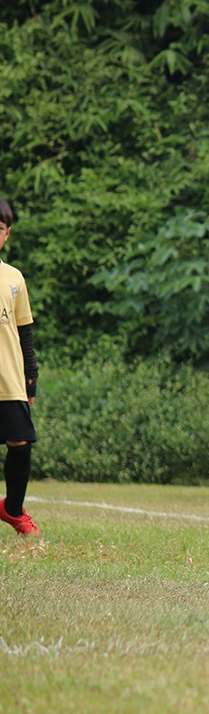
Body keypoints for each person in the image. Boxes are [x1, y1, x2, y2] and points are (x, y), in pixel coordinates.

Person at [0, 199, 40, 537]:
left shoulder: (14, 277)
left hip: (9, 379)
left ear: (7, 233)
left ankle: (13, 509)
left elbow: (25, 332)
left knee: (21, 444)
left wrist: (31, 378)